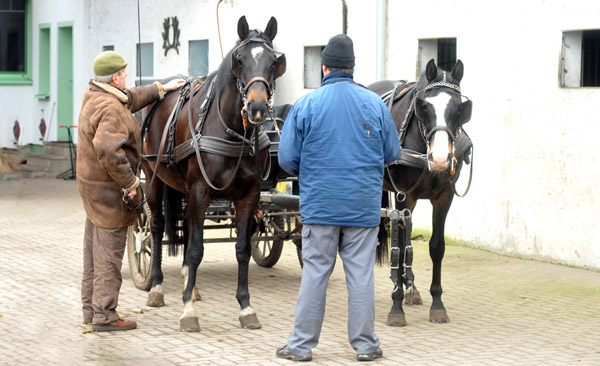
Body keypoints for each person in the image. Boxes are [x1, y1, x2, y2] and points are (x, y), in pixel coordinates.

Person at [276, 34, 401, 361]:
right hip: (363, 208)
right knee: (361, 276)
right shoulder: (375, 104)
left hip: (320, 208)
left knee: (315, 274)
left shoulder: (306, 104)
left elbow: (287, 159)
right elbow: (392, 153)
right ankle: (366, 346)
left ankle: (301, 347)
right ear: (352, 68)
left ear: (325, 68)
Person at [77, 50, 185, 332]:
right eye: (124, 73)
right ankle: (105, 315)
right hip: (109, 193)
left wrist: (161, 89)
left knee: (92, 252)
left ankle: (90, 310)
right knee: (109, 256)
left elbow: (130, 97)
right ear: (115, 78)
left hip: (93, 190)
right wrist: (130, 183)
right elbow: (108, 149)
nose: (127, 76)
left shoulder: (97, 95)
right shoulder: (111, 109)